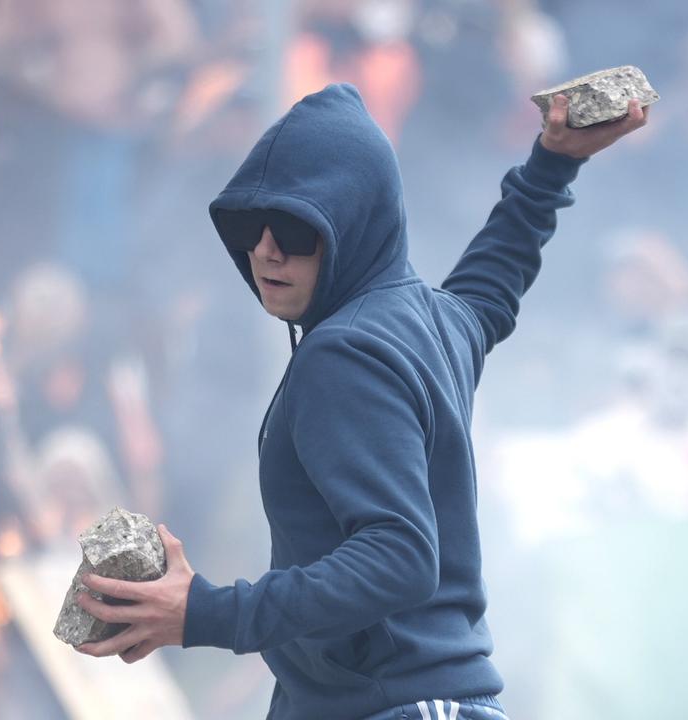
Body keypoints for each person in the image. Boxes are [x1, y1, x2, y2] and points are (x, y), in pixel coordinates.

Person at [73, 83, 647, 718]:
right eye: (247, 224)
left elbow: (400, 555)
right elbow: (494, 280)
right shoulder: (430, 321)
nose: (265, 248)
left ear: (352, 221)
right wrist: (553, 161)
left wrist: (204, 611)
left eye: (293, 225)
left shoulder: (342, 354)